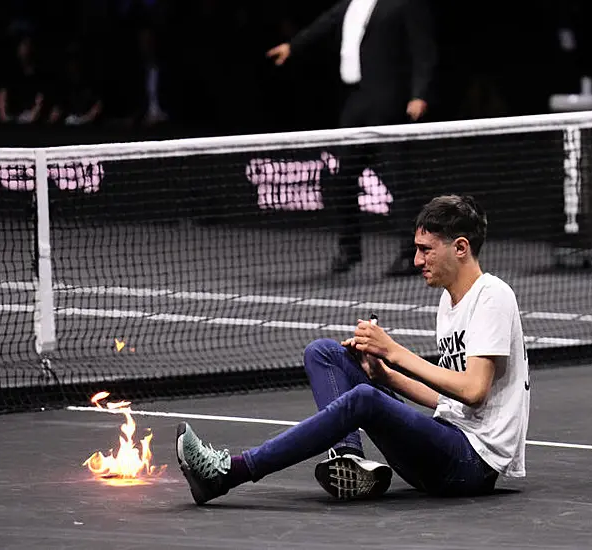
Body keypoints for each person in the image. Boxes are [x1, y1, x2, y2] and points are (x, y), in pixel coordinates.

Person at [175, 195, 530, 504]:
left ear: (461, 248)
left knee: (363, 398)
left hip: (470, 465)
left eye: (426, 250)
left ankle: (227, 473)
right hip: (443, 447)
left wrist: (393, 351)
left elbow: (473, 390)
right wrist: (385, 374)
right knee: (324, 352)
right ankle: (350, 459)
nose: (417, 261)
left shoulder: (492, 296)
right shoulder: (448, 301)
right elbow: (447, 401)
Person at [266, 0, 438, 277]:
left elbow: (424, 50)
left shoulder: (403, 5)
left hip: (387, 102)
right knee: (342, 176)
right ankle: (349, 249)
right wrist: (292, 46)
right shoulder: (350, 4)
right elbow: (322, 25)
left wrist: (420, 94)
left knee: (398, 179)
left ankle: (412, 254)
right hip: (356, 102)